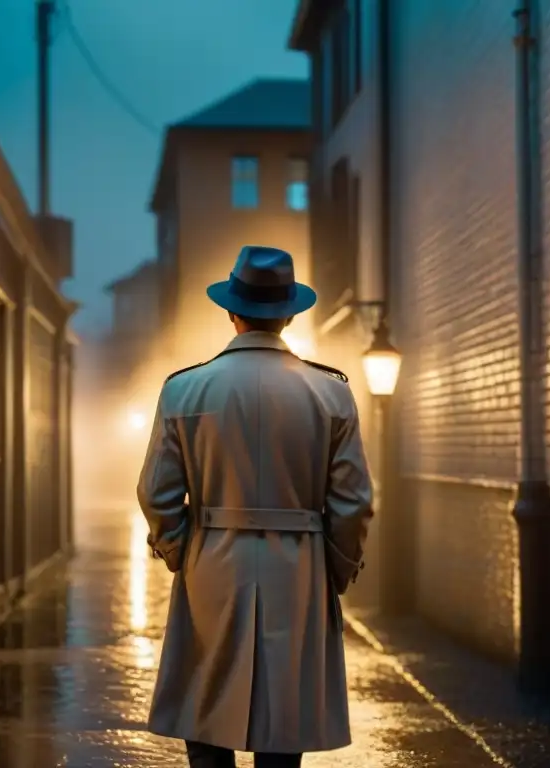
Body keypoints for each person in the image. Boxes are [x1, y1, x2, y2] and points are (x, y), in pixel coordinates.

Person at [136, 245, 374, 768]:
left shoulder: (185, 389)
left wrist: (180, 550)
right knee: (284, 724)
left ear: (230, 310)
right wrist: (334, 566)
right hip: (300, 565)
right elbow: (353, 502)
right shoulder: (331, 393)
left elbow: (156, 492)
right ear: (289, 314)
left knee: (205, 711)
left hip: (212, 561)